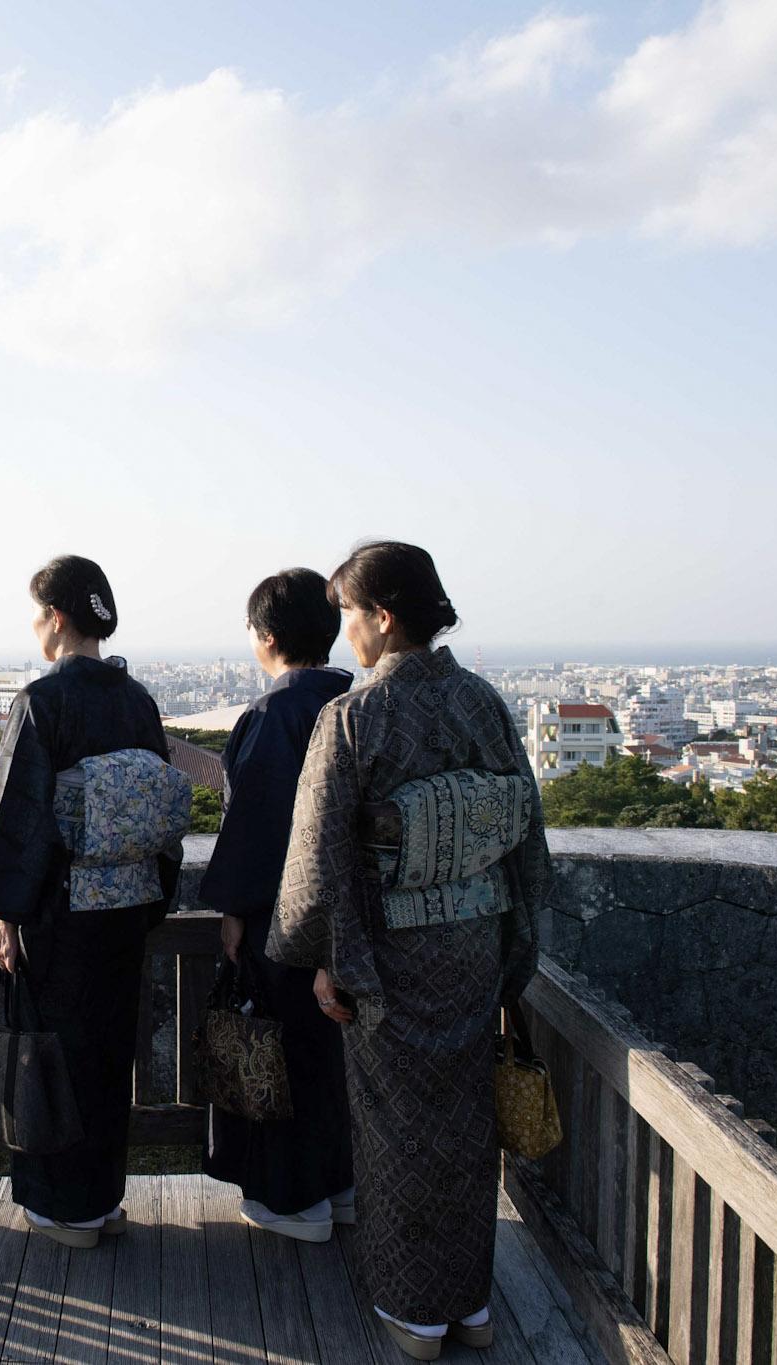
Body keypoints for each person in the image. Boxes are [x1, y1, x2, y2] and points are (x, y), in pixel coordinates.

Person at [269, 541, 551, 1362]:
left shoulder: (355, 718)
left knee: (397, 1131)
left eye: (349, 614)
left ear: (383, 618)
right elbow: (524, 838)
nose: (344, 631)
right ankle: (471, 1304)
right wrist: (511, 942)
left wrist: (324, 953)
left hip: (385, 960)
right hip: (471, 948)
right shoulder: (485, 704)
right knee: (467, 1129)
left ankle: (416, 1311)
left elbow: (318, 859)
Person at [0, 554, 183, 1250]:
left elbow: (22, 821)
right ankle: (103, 1196)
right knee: (109, 1051)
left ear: (56, 617)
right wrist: (149, 890)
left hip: (59, 912)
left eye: (37, 615)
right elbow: (158, 811)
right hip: (126, 905)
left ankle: (67, 1208)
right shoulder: (137, 700)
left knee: (53, 1054)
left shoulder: (41, 702)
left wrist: (8, 920)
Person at [198, 569, 357, 1242]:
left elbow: (258, 826)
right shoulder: (357, 698)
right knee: (339, 1061)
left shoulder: (275, 713)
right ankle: (341, 1185)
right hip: (365, 919)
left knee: (283, 1051)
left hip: (289, 920)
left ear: (266, 636)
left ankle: (294, 1201)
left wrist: (233, 906)